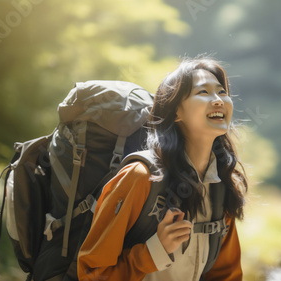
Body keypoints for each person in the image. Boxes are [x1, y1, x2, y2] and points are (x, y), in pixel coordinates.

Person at [77, 56, 248, 281]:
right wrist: (154, 251)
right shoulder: (140, 177)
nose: (218, 100)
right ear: (176, 112)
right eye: (203, 93)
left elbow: (227, 275)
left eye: (222, 92)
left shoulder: (221, 185)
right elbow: (92, 273)